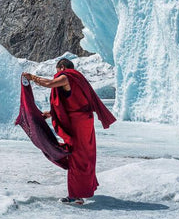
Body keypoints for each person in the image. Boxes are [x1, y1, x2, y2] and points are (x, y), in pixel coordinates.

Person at [22, 58, 115, 205]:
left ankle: (76, 196)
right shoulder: (79, 80)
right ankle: (80, 192)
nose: (57, 75)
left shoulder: (66, 76)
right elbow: (74, 103)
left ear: (62, 68)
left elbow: (49, 84)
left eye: (57, 72)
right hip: (85, 123)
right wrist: (51, 113)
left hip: (78, 124)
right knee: (83, 156)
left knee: (76, 157)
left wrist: (32, 78)